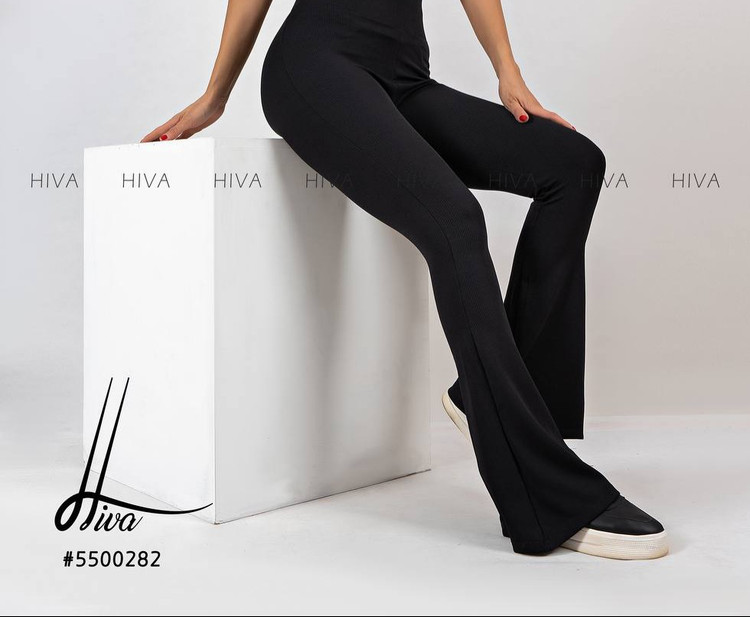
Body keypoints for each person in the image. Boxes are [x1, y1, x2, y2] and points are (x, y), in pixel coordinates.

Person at [142, 0, 668, 560]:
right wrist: (215, 95)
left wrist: (508, 73)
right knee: (454, 220)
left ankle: (495, 403)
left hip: (403, 77)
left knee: (572, 165)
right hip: (315, 67)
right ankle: (543, 491)